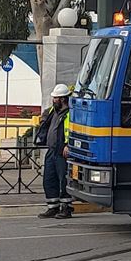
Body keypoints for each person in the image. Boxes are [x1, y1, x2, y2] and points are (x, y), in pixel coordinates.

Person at [36, 84, 74, 219]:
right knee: (49, 179)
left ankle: (66, 208)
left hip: (62, 151)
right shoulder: (53, 111)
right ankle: (52, 207)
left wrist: (68, 145)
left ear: (63, 99)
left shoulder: (71, 113)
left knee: (64, 180)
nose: (53, 100)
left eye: (56, 98)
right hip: (51, 150)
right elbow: (45, 116)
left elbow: (73, 131)